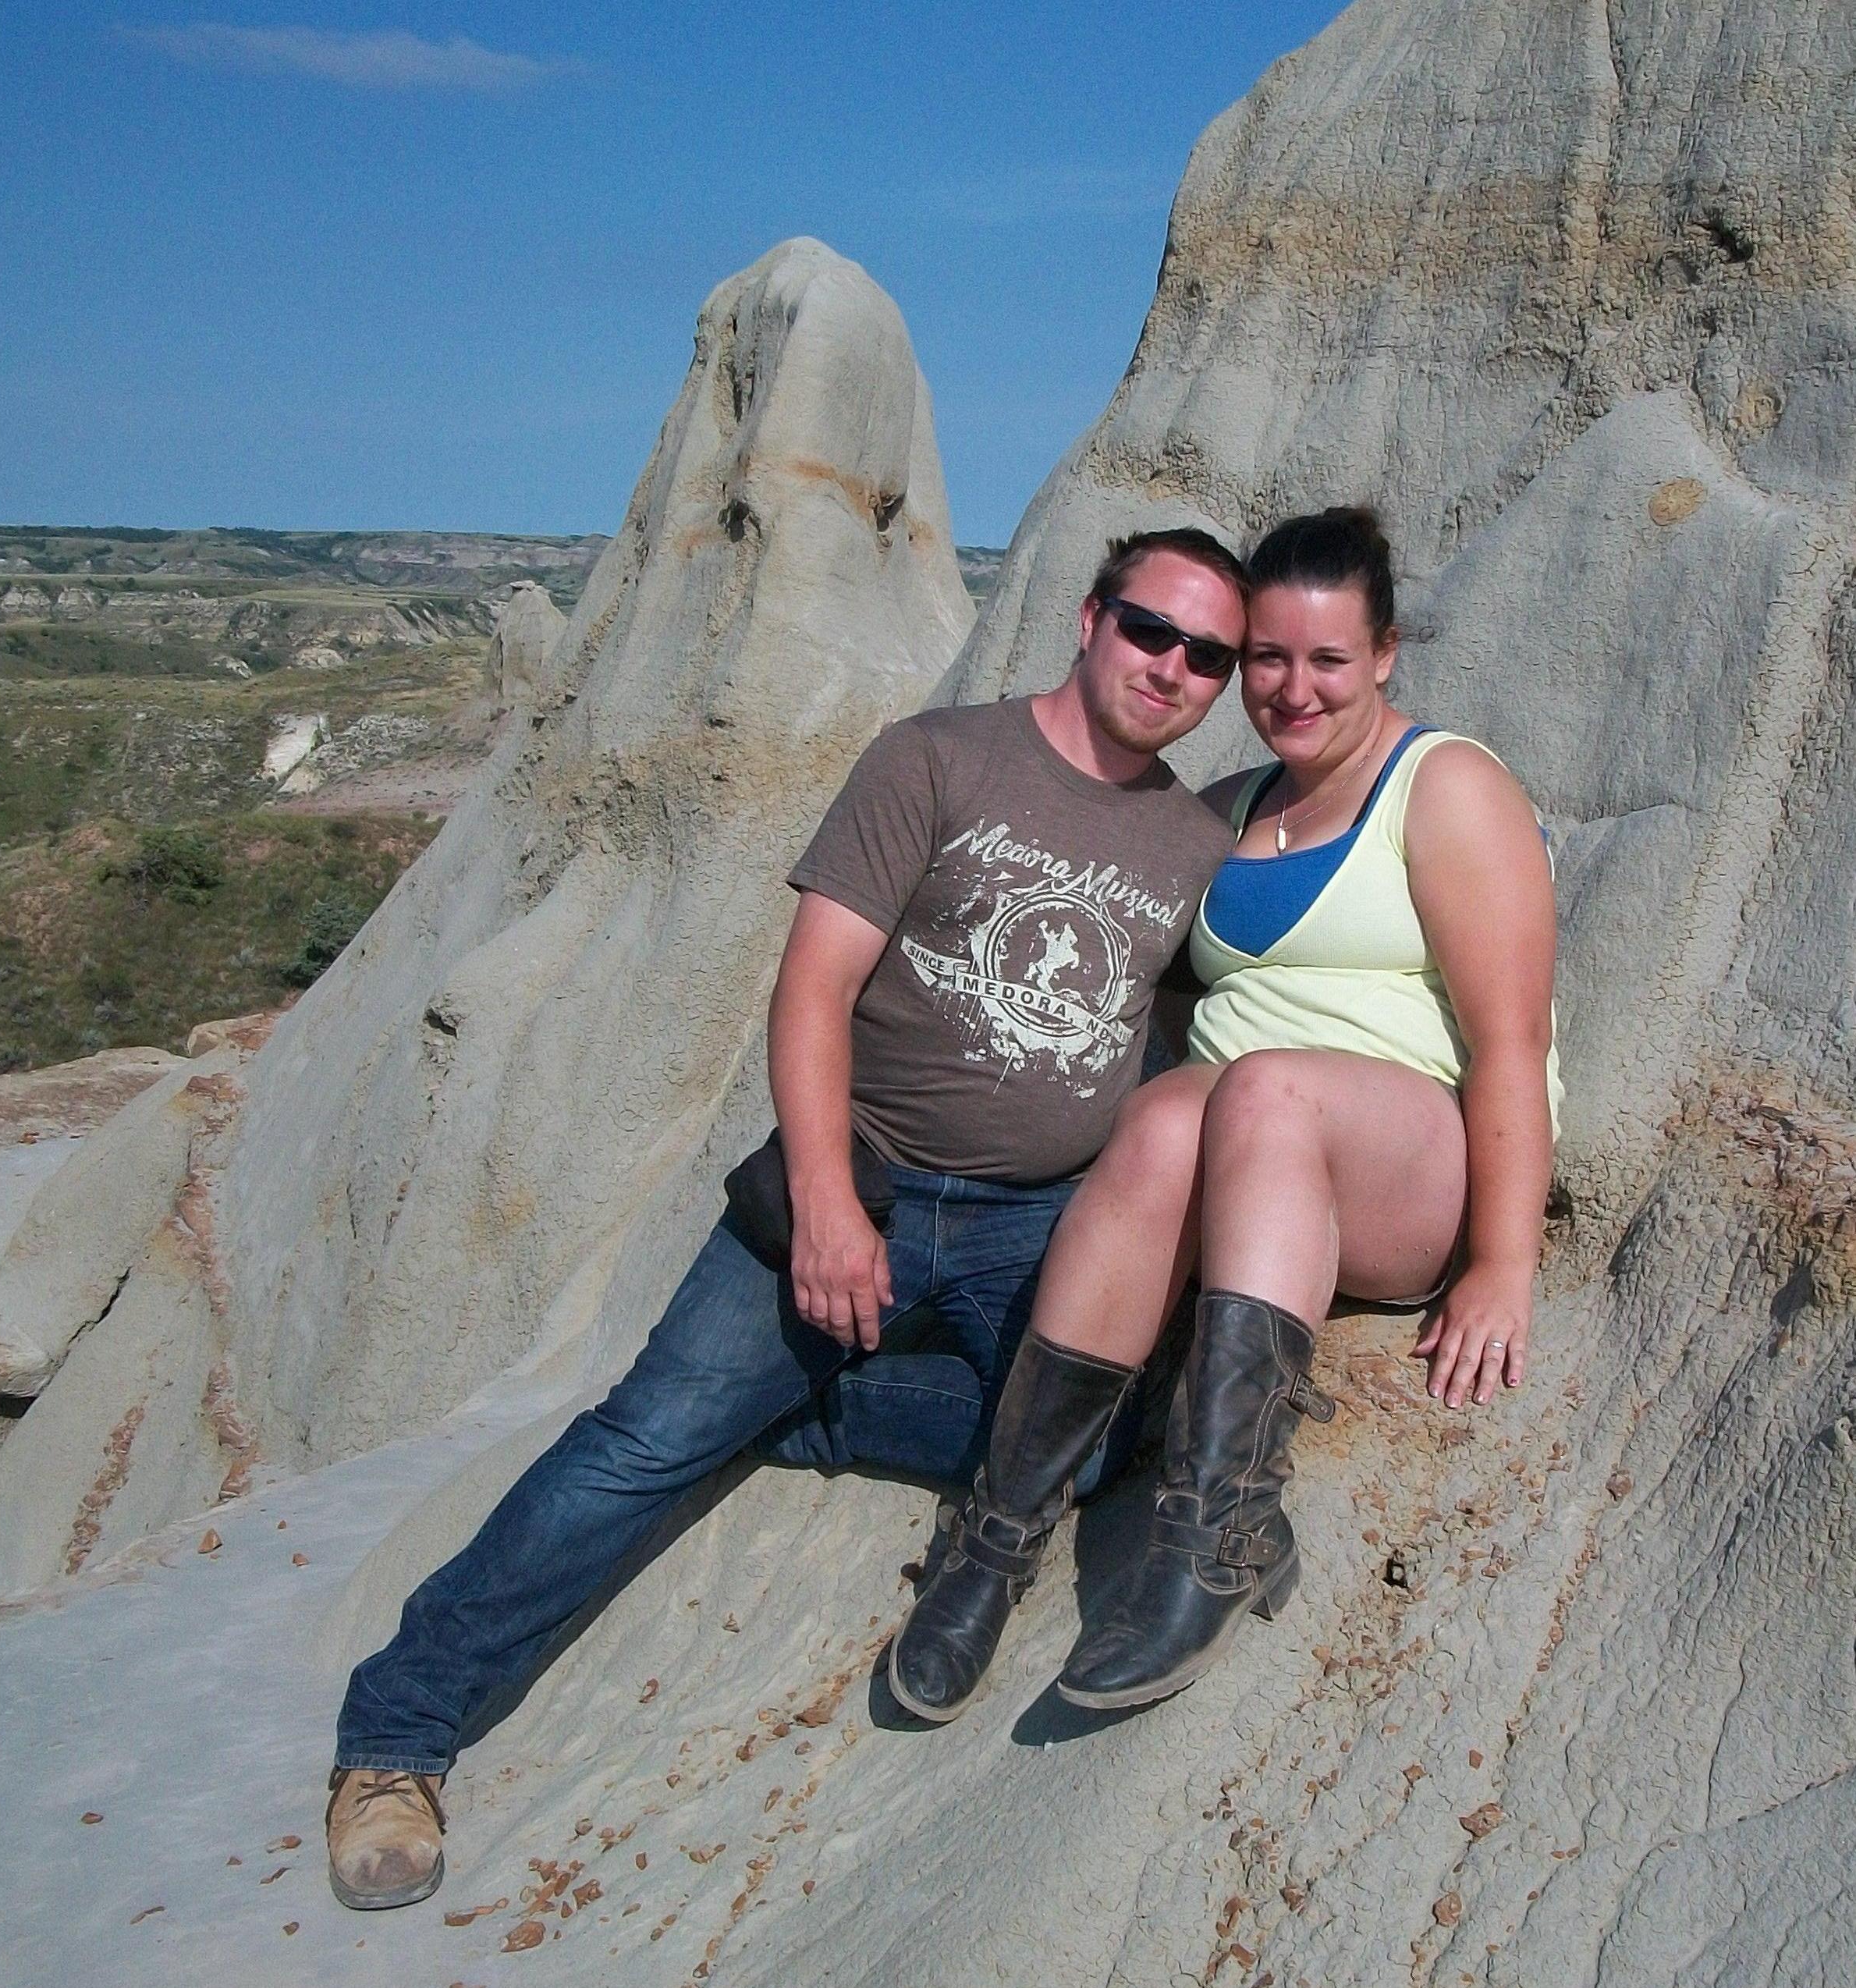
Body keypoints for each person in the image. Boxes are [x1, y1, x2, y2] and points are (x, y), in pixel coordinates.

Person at [325, 526, 1251, 1908]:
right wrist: (825, 1205)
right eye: (1149, 629)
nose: (1171, 666)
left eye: (1206, 654)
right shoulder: (936, 758)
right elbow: (814, 985)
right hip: (863, 1177)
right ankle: (396, 1734)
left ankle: (797, 1409)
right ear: (1088, 615)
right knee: (641, 1441)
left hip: (1037, 1220)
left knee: (1105, 1439)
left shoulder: (1191, 840)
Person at [887, 505, 1562, 1721]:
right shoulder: (1240, 801)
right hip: (1246, 1163)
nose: (1292, 689)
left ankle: (1217, 1533)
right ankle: (995, 1538)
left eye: (1328, 661)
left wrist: (1505, 1264)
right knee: (1160, 1121)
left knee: (1263, 1086)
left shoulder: (1444, 785)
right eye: (1266, 659)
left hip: (1407, 1170)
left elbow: (1513, 1042)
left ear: (1388, 654)